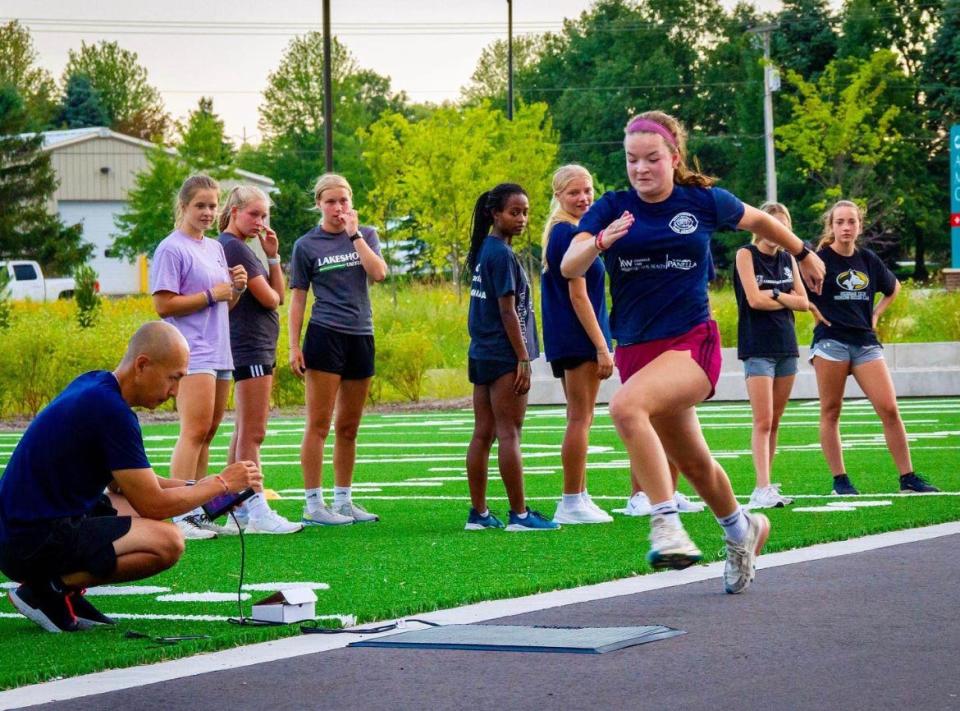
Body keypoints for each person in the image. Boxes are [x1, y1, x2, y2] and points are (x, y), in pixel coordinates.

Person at [561, 111, 826, 593]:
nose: (641, 168)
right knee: (697, 462)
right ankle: (743, 530)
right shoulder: (612, 208)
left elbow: (761, 218)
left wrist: (804, 253)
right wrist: (599, 241)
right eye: (631, 159)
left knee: (624, 407)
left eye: (652, 159)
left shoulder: (701, 201)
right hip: (638, 351)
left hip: (691, 344)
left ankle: (666, 523)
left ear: (674, 158)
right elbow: (568, 264)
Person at [0, 322, 262, 633]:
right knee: (168, 542)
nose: (175, 391)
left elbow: (136, 484)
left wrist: (210, 490)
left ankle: (60, 588)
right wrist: (220, 484)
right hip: (29, 541)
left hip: (21, 530)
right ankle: (49, 589)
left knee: (131, 505)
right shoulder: (111, 412)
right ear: (142, 365)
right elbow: (153, 504)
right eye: (173, 378)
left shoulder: (97, 387)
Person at [805, 200, 938, 496]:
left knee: (889, 409)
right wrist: (814, 311)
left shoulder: (867, 259)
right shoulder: (819, 259)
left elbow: (893, 288)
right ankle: (840, 480)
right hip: (831, 342)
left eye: (851, 221)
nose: (846, 227)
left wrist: (876, 314)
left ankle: (908, 478)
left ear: (859, 226)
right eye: (840, 222)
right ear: (832, 226)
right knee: (831, 410)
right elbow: (798, 290)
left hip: (865, 343)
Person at [151, 174, 248, 540]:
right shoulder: (172, 248)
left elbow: (226, 301)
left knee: (208, 432)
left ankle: (198, 507)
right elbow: (163, 304)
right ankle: (181, 512)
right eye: (201, 206)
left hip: (220, 348)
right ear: (184, 206)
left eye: (213, 206)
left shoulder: (214, 248)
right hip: (191, 351)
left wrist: (234, 289)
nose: (208, 212)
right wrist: (212, 293)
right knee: (192, 431)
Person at [289, 173, 388, 526]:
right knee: (319, 424)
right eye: (331, 201)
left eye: (343, 201)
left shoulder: (366, 235)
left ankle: (343, 500)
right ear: (319, 203)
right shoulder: (306, 245)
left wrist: (355, 235)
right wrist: (293, 345)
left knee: (349, 427)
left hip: (361, 334)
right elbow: (298, 297)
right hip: (325, 334)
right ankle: (313, 504)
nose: (338, 208)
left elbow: (379, 273)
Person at [465, 183, 559, 532]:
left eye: (525, 212)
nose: (521, 219)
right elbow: (508, 312)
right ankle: (519, 515)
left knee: (483, 434)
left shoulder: (485, 250)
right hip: (503, 355)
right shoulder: (501, 255)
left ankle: (479, 514)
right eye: (514, 212)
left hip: (481, 352)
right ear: (495, 214)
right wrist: (523, 358)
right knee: (509, 434)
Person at [217, 186, 302, 534]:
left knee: (242, 432)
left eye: (264, 215)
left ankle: (233, 506)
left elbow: (277, 294)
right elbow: (272, 298)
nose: (260, 221)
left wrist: (272, 257)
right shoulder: (234, 246)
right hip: (250, 345)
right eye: (253, 214)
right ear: (234, 211)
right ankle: (256, 509)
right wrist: (267, 265)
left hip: (255, 344)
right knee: (254, 431)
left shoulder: (242, 246)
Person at [539, 165, 614, 524]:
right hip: (578, 337)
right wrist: (602, 345)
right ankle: (570, 500)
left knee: (580, 417)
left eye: (588, 190)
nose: (583, 198)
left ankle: (580, 495)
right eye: (574, 193)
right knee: (580, 418)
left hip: (569, 336)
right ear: (558, 196)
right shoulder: (567, 234)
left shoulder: (568, 232)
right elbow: (579, 297)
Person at [733, 201, 809, 508]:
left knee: (775, 421)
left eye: (782, 226)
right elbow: (753, 299)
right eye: (770, 224)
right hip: (757, 346)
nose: (776, 232)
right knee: (762, 420)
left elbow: (804, 303)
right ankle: (760, 487)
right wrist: (784, 298)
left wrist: (776, 294)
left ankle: (768, 484)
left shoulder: (789, 259)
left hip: (785, 345)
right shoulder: (745, 255)